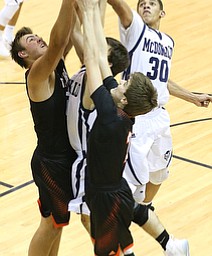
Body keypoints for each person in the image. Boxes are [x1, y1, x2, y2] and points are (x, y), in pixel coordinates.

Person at [108, 0, 212, 255]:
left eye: (151, 3)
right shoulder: (135, 32)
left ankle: (143, 210)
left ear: (162, 12)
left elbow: (163, 81)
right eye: (141, 3)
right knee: (128, 184)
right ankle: (126, 233)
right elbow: (120, 7)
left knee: (158, 175)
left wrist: (192, 97)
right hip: (138, 118)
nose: (145, 6)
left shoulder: (168, 42)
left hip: (160, 118)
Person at [76, 0, 158, 255]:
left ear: (123, 99)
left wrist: (90, 11)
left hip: (104, 197)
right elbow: (102, 57)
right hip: (113, 189)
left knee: (107, 251)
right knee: (121, 247)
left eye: (124, 84)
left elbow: (90, 58)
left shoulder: (111, 116)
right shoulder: (123, 111)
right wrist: (89, 14)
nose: (120, 82)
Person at [10, 0, 77, 255]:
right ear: (23, 55)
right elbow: (59, 41)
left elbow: (67, 35)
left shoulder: (54, 63)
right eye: (30, 39)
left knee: (57, 225)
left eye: (36, 34)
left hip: (63, 158)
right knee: (50, 224)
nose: (37, 37)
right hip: (51, 162)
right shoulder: (36, 74)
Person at [66, 3, 131, 234]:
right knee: (94, 222)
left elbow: (90, 35)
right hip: (79, 157)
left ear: (107, 63)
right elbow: (74, 31)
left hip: (87, 161)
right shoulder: (90, 68)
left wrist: (91, 9)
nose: (94, 45)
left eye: (102, 47)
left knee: (94, 223)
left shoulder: (96, 84)